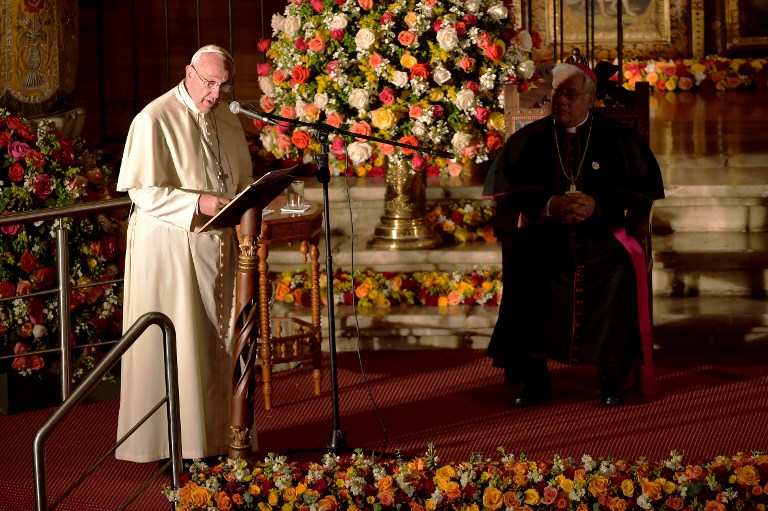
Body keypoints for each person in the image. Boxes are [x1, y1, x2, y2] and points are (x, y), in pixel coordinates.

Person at [483, 62, 664, 407]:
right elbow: (506, 192)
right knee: (527, 269)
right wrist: (549, 204)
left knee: (616, 271)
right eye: (556, 93)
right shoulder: (529, 140)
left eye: (571, 94)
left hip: (603, 233)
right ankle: (534, 378)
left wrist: (597, 205)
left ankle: (611, 376)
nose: (561, 101)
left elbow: (641, 188)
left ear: (591, 99)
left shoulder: (617, 137)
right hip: (544, 234)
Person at [115, 44, 256, 462]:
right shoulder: (154, 118)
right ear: (189, 74)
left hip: (218, 245)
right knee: (180, 345)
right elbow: (142, 190)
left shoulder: (226, 119)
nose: (215, 94)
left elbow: (240, 176)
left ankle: (215, 440)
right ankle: (171, 448)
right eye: (209, 83)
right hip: (170, 249)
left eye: (223, 85)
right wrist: (199, 203)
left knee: (214, 344)